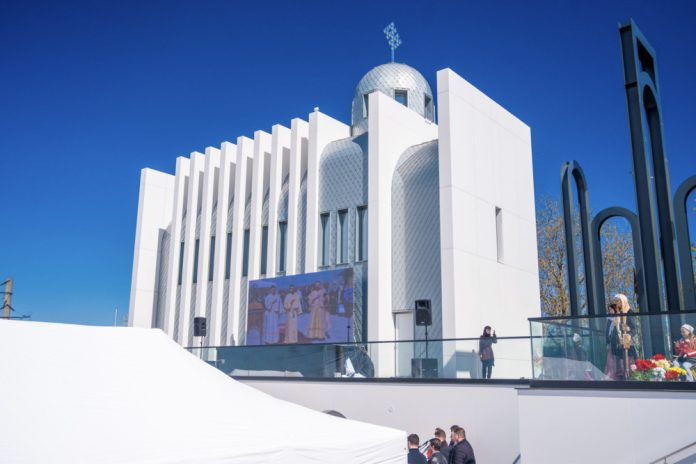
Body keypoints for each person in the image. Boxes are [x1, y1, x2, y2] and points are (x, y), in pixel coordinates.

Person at [604, 293, 637, 380]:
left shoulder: (629, 312)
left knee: (627, 366)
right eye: (615, 301)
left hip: (627, 344)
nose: (616, 302)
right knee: (618, 368)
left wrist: (628, 335)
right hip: (617, 345)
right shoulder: (617, 313)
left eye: (618, 300)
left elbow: (634, 329)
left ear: (623, 301)